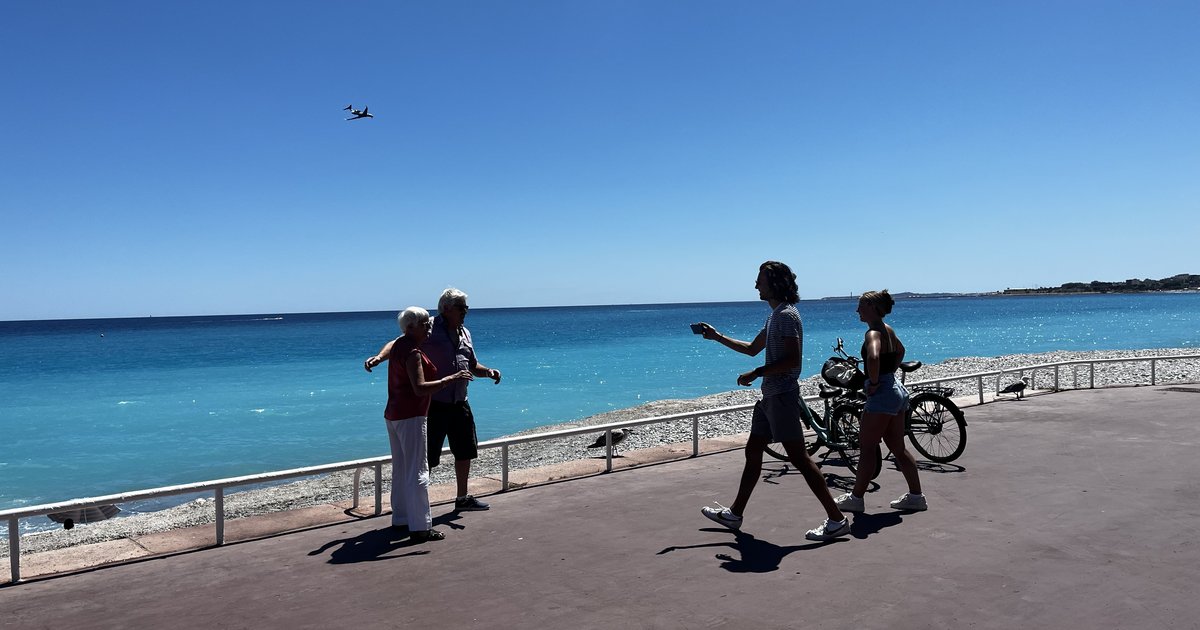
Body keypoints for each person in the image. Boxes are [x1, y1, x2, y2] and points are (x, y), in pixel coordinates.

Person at [694, 261, 851, 542]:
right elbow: (752, 349)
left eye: (760, 280)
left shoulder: (787, 316)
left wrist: (758, 372)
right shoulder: (775, 316)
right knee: (754, 450)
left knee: (800, 459)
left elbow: (792, 360)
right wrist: (717, 337)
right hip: (770, 396)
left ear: (775, 284)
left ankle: (837, 519)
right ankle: (735, 514)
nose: (756, 285)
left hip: (782, 395)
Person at [365, 288, 501, 512]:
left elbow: (472, 365)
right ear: (446, 308)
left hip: (460, 402)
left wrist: (488, 372)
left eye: (466, 307)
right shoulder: (427, 327)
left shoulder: (466, 333)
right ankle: (418, 504)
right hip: (434, 403)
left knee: (465, 451)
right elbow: (398, 343)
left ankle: (462, 498)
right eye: (461, 307)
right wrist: (379, 358)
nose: (466, 311)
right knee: (427, 457)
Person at [380, 306, 472, 542]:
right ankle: (420, 526)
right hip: (411, 415)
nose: (429, 328)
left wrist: (378, 358)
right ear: (411, 327)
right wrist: (450, 378)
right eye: (424, 325)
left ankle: (401, 517)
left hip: (394, 414)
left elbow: (391, 347)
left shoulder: (401, 345)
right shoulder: (412, 352)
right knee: (418, 471)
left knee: (401, 468)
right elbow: (420, 389)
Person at [832, 290, 927, 513]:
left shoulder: (873, 333)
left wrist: (874, 382)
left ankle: (856, 499)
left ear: (873, 308)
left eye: (861, 305)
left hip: (883, 394)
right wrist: (889, 372)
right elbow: (901, 350)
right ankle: (916, 496)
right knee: (898, 448)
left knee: (867, 449)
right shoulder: (888, 330)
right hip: (896, 390)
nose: (857, 310)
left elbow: (873, 357)